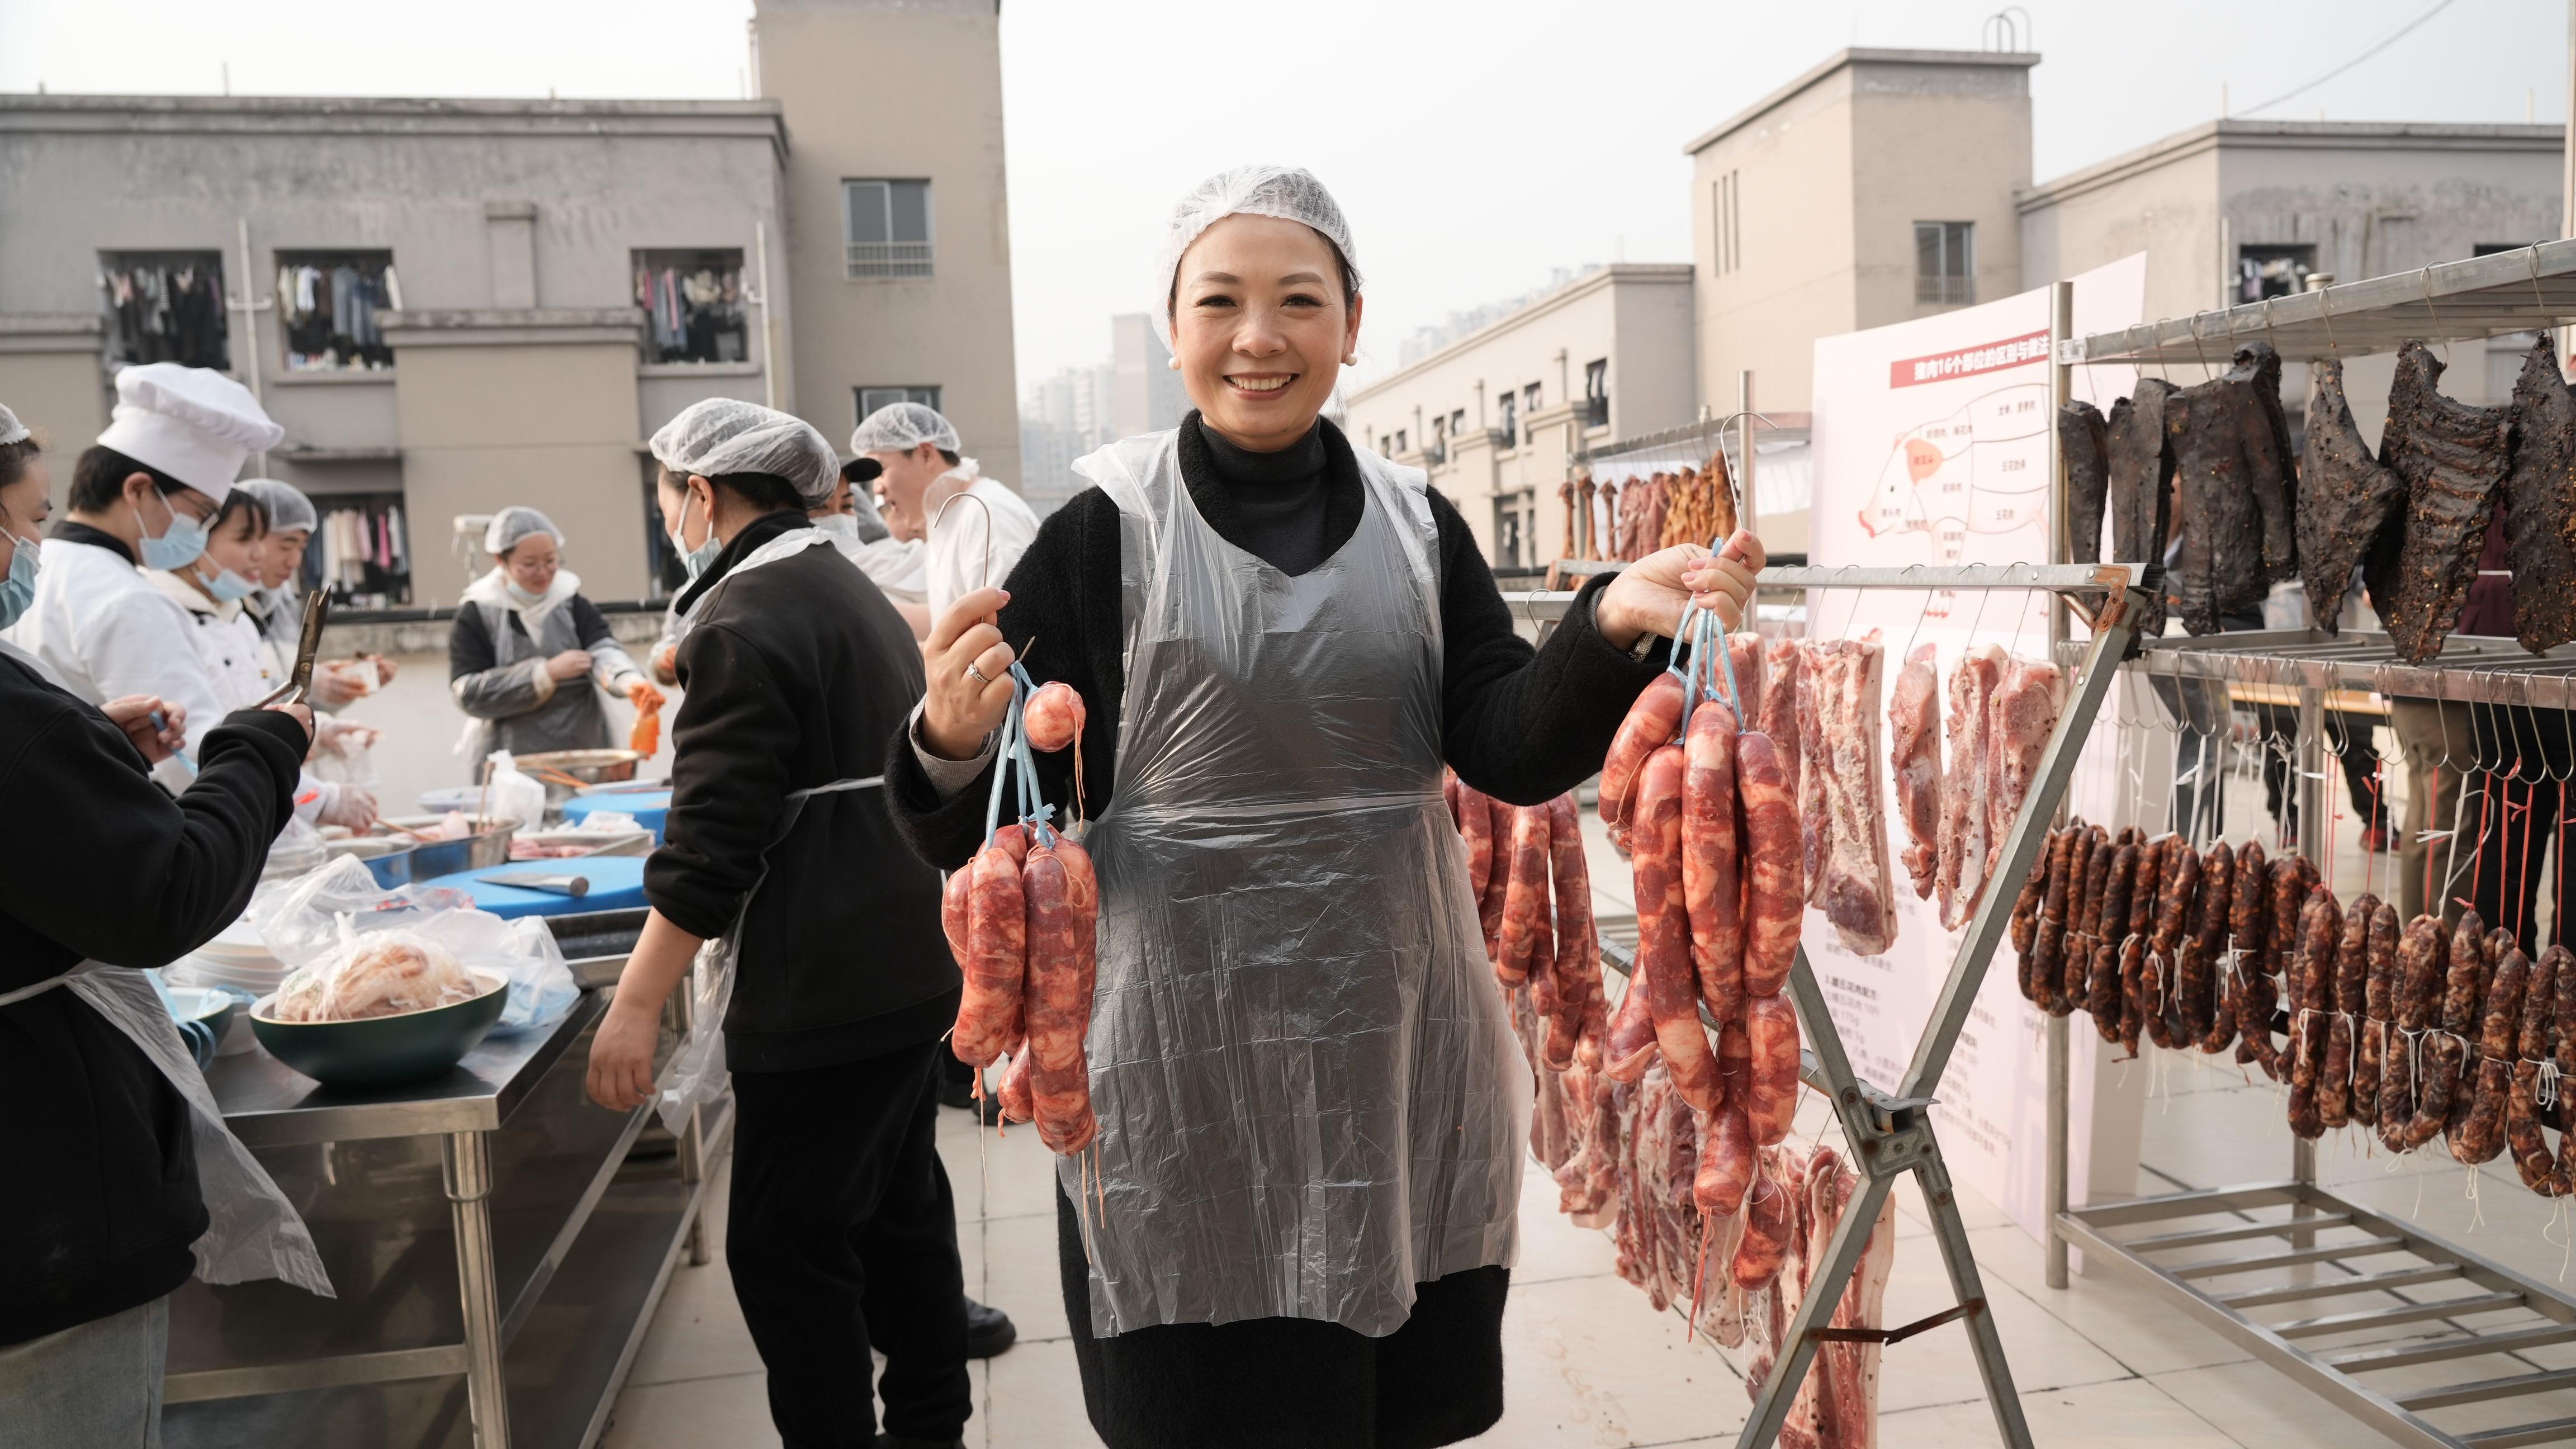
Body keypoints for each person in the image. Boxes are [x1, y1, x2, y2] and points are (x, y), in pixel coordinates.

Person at [885, 166, 1757, 1449]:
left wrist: (1613, 617)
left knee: (1387, 1401)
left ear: (1350, 323)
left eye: (1298, 300)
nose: (1258, 337)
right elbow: (982, 829)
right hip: (1179, 1066)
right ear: (1175, 326)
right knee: (1215, 1409)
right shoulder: (1099, 535)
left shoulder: (1418, 526)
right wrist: (951, 737)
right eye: (1221, 300)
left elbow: (1507, 743)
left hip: (1393, 1045)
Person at [584, 397, 996, 1449]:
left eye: (670, 494)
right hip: (906, 960)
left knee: (786, 1253)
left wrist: (634, 1008)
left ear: (704, 494)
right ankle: (929, 1429)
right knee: (903, 1220)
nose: (670, 511)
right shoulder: (842, 589)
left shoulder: (742, 619)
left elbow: (711, 850)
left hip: (821, 984)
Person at [0, 400, 331, 1447]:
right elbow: (160, 891)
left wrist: (91, 757)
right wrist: (261, 754)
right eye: (21, 521)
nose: (26, 551)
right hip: (37, 1203)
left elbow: (33, 821)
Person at [4, 363, 283, 793]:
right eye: (201, 515)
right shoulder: (129, 598)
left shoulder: (47, 565)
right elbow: (195, 758)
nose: (201, 533)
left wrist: (102, 733)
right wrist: (315, 793)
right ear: (137, 491)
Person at [148, 486, 377, 830]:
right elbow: (194, 751)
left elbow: (256, 701)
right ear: (196, 538)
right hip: (199, 820)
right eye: (246, 540)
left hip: (256, 813)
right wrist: (320, 798)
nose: (259, 555)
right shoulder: (159, 618)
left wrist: (322, 730)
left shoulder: (237, 619)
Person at [448, 506, 661, 767]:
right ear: (500, 561)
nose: (543, 572)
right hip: (511, 759)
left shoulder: (570, 602)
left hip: (583, 750)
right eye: (529, 564)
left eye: (550, 561)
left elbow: (602, 648)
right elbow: (468, 692)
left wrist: (628, 680)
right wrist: (544, 674)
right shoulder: (477, 614)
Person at [853, 402, 1037, 621]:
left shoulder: (986, 514)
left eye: (881, 471)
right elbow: (945, 623)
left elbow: (1006, 635)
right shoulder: (948, 519)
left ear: (926, 454)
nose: (877, 488)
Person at [233, 477, 395, 709]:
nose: (295, 561)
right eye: (285, 546)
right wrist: (310, 684)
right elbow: (235, 698)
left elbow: (295, 694)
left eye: (302, 548)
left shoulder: (283, 602)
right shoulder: (218, 611)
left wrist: (336, 684)